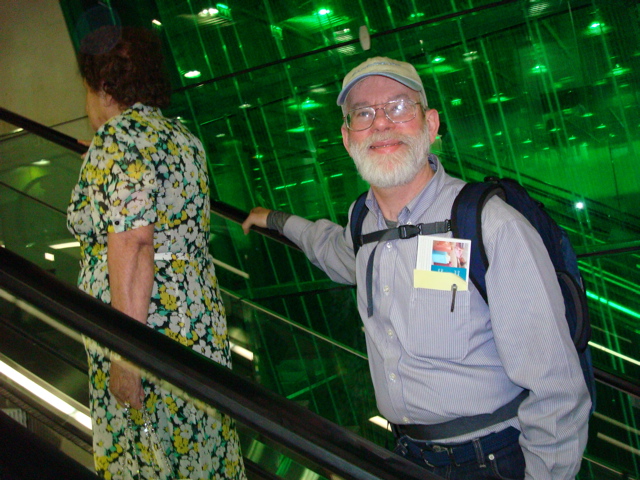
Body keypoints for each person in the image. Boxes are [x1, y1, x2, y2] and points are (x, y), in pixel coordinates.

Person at [242, 57, 591, 479]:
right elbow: (333, 249)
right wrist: (276, 221)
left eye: (399, 107)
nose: (381, 124)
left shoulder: (487, 226)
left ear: (431, 125)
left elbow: (556, 389)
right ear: (347, 138)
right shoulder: (363, 223)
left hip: (490, 460)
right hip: (404, 455)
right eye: (363, 113)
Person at [67, 26, 246, 480]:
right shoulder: (179, 138)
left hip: (146, 329)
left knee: (149, 458)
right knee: (200, 454)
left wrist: (127, 357)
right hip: (195, 322)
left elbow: (135, 242)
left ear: (103, 88)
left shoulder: (117, 141)